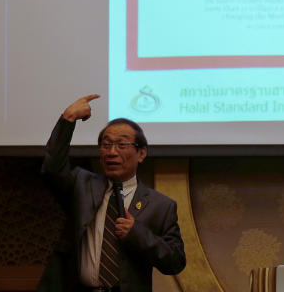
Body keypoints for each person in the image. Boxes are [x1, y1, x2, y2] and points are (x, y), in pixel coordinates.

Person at [37, 94, 186, 292]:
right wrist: (68, 119)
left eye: (122, 145)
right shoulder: (81, 184)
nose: (112, 152)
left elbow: (175, 262)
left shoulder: (161, 206)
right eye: (106, 145)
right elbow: (52, 168)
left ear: (141, 153)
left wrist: (138, 234)